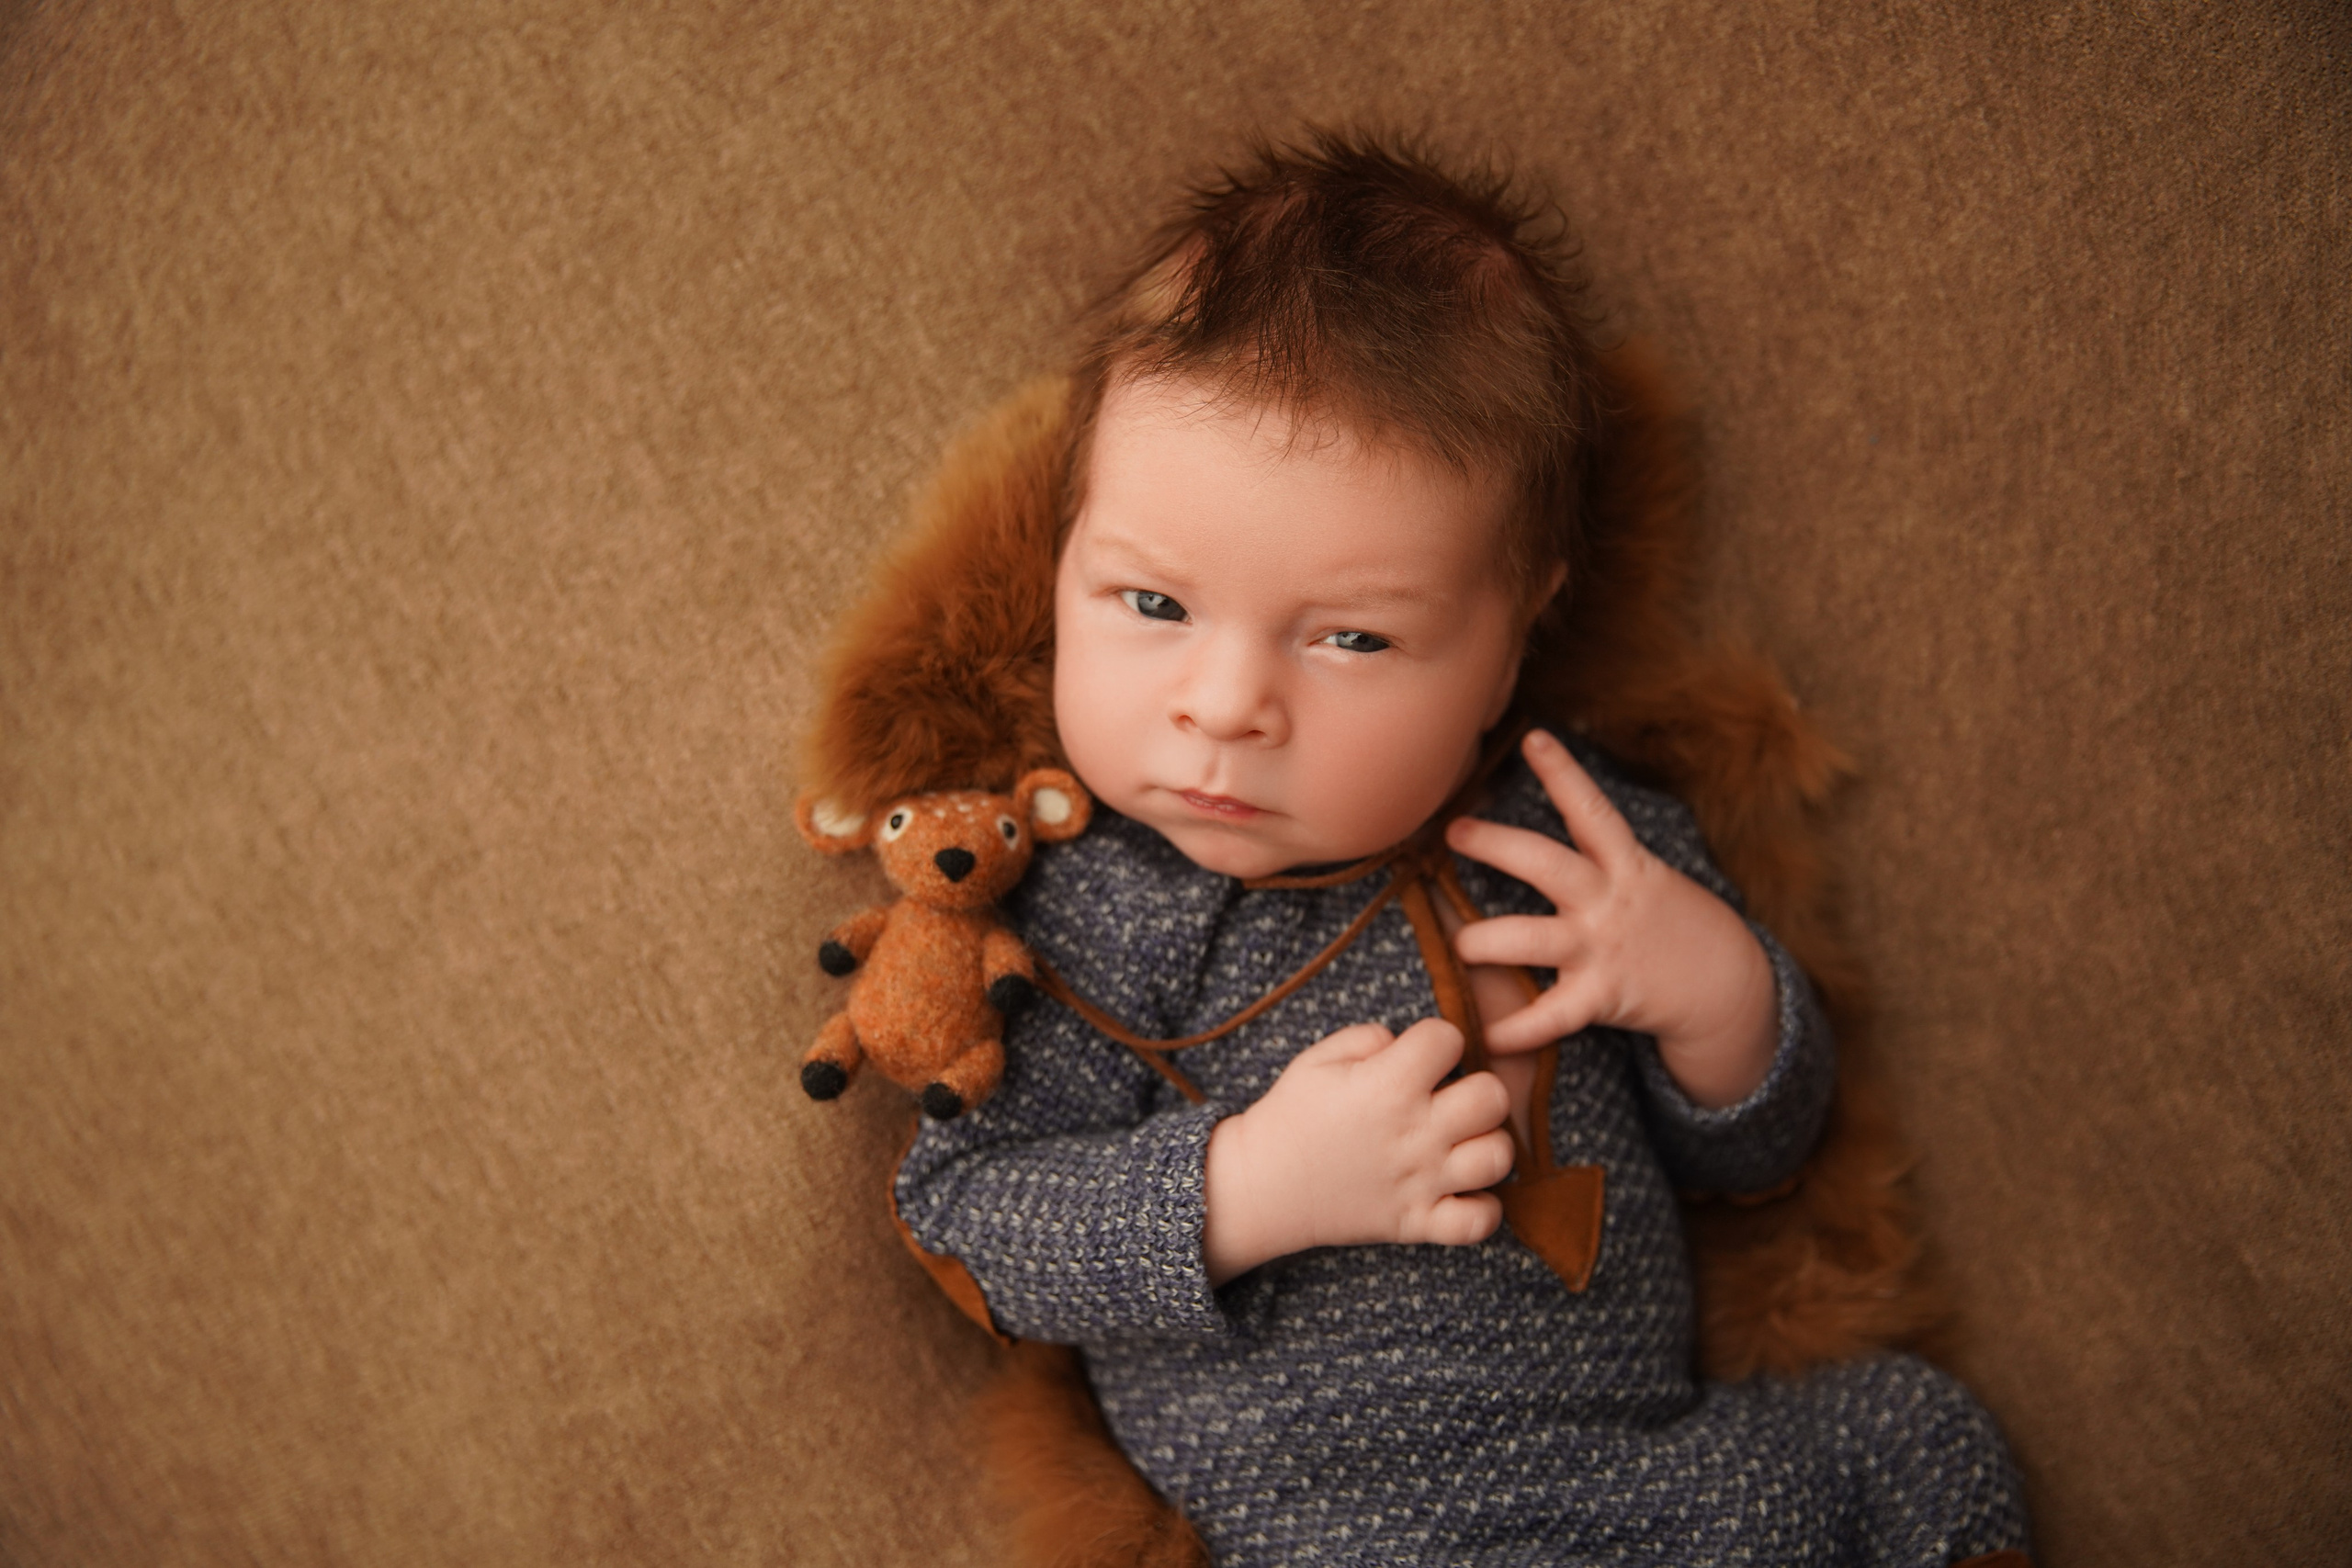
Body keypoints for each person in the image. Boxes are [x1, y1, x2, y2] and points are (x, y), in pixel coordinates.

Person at [888, 131, 2030, 1566]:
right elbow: (968, 1222)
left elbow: (1762, 1149)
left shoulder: (1575, 836)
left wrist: (1717, 996)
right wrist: (1247, 1187)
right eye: (1154, 605)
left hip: (1662, 1491)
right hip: (1339, 1540)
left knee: (1910, 1430)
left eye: (1352, 638)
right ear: (1063, 561)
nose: (1226, 705)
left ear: (1509, 644)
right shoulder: (1092, 910)